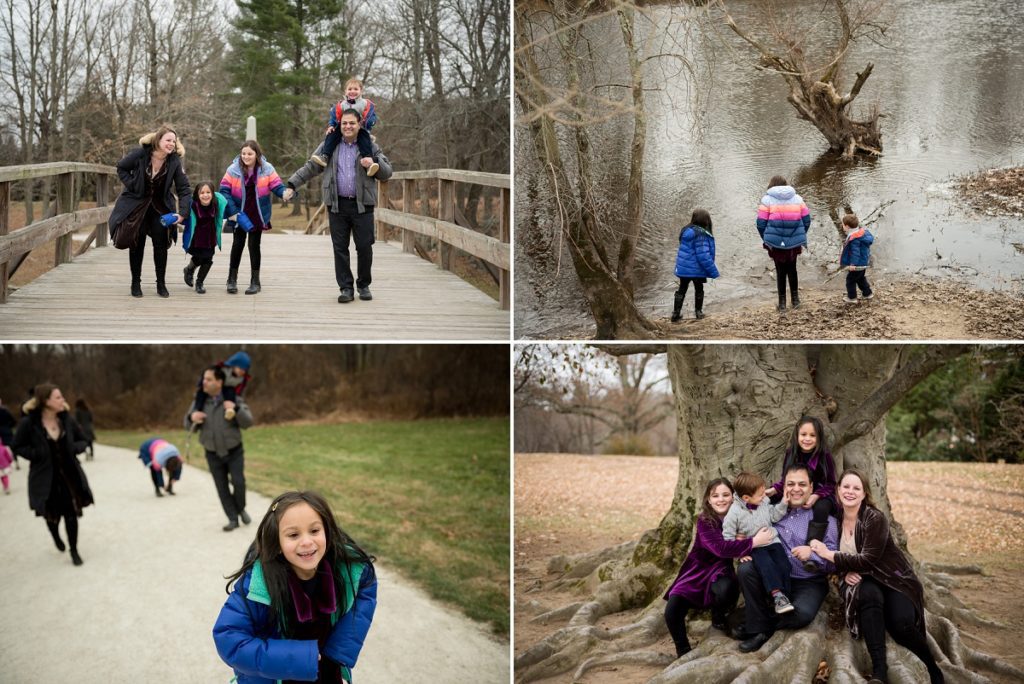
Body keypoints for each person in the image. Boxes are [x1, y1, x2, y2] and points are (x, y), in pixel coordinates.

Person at [213, 490, 377, 684]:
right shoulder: (258, 584)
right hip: (275, 676)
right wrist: (297, 658)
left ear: (327, 531)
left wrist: (338, 658)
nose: (307, 542)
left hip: (327, 672)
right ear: (277, 542)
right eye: (293, 535)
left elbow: (363, 597)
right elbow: (229, 639)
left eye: (315, 531)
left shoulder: (350, 569)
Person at [809, 469, 945, 684]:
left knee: (901, 625)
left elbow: (867, 559)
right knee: (870, 598)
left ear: (864, 494)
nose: (850, 492)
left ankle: (932, 667)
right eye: (846, 486)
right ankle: (879, 671)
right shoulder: (834, 521)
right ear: (838, 490)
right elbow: (834, 562)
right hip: (863, 580)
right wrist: (843, 571)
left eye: (856, 488)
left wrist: (829, 554)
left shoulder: (874, 518)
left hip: (892, 579)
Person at [285, 108, 394, 304]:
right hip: (337, 204)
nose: (348, 126)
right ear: (339, 125)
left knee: (364, 246)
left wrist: (374, 162)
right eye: (344, 123)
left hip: (363, 205)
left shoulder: (369, 144)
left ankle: (363, 285)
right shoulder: (330, 144)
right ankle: (346, 288)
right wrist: (292, 184)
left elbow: (386, 172)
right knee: (340, 248)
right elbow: (311, 166)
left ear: (359, 124)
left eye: (352, 123)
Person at [663, 478, 775, 658]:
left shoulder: (741, 515)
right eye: (715, 495)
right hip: (697, 570)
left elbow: (751, 529)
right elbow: (721, 548)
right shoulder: (704, 521)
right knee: (672, 610)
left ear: (733, 497)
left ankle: (718, 615)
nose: (721, 499)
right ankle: (683, 650)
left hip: (720, 570)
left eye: (725, 495)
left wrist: (742, 543)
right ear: (708, 499)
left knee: (726, 589)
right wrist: (752, 542)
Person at [734, 464, 837, 653]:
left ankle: (758, 624)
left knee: (803, 614)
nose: (796, 489)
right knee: (746, 569)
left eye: (802, 484)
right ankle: (758, 627)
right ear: (784, 487)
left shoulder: (825, 520)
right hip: (774, 578)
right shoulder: (770, 512)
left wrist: (813, 554)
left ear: (811, 488)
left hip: (809, 582)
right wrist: (746, 547)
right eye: (791, 484)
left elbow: (834, 563)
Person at [12, 384, 94, 566]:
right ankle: (55, 534)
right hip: (45, 478)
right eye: (58, 397)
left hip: (68, 475)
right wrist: (36, 454)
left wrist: (74, 448)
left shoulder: (67, 420)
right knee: (51, 514)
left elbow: (84, 440)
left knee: (71, 513)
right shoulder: (29, 424)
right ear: (45, 401)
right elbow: (16, 446)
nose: (62, 400)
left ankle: (74, 550)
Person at [108, 126, 191, 298]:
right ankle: (135, 283)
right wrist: (132, 184)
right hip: (137, 206)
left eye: (174, 141)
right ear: (158, 140)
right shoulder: (140, 154)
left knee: (161, 245)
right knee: (136, 243)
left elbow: (184, 188)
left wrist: (182, 213)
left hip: (160, 207)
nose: (171, 144)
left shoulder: (174, 161)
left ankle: (161, 284)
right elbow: (121, 168)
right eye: (168, 140)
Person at [764, 415, 838, 571]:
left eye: (812, 435)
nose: (807, 439)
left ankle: (812, 546)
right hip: (797, 488)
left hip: (821, 493)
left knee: (821, 509)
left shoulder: (824, 456)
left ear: (819, 438)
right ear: (797, 436)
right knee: (771, 502)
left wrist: (815, 495)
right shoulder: (791, 453)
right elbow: (786, 479)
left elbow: (831, 483)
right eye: (803, 435)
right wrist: (773, 490)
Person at [185, 366, 253, 531]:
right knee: (221, 487)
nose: (204, 383)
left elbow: (248, 422)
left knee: (239, 483)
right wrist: (191, 417)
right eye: (204, 379)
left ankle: (240, 508)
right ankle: (232, 519)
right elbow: (188, 426)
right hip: (212, 453)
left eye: (208, 379)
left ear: (219, 382)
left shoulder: (232, 399)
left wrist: (235, 409)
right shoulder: (199, 402)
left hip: (234, 451)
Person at [219, 139, 288, 295]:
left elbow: (277, 185)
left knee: (254, 246)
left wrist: (284, 193)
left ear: (257, 154)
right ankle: (231, 280)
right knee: (237, 244)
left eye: (250, 153)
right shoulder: (233, 169)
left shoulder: (267, 168)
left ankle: (255, 282)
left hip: (257, 212)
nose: (246, 156)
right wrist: (233, 212)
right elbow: (224, 190)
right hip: (239, 212)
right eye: (243, 153)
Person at [722, 472, 795, 615]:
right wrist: (739, 552)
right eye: (760, 495)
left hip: (772, 541)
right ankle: (777, 597)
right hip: (755, 547)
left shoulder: (763, 502)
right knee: (767, 567)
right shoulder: (734, 513)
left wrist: (783, 503)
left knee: (784, 565)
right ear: (746, 498)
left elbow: (773, 515)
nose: (764, 497)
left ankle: (786, 597)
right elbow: (727, 537)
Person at [756, 175, 811, 311]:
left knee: (780, 271)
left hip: (775, 243)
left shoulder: (766, 200)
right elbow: (807, 220)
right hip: (794, 243)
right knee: (792, 269)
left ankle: (782, 304)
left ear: (771, 185)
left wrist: (766, 238)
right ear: (786, 185)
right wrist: (799, 235)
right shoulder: (798, 199)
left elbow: (760, 224)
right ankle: (796, 300)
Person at [310, 78, 380, 178]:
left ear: (361, 91)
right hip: (343, 128)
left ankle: (368, 162)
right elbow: (334, 117)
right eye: (350, 89)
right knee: (332, 135)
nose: (352, 91)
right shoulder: (342, 104)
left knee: (364, 140)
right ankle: (325, 156)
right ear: (345, 91)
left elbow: (372, 116)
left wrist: (369, 124)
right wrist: (331, 126)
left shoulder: (365, 103)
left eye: (356, 89)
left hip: (360, 127)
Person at [671, 208, 720, 322]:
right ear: (704, 220)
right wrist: (713, 271)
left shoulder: (686, 230)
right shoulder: (701, 235)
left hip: (683, 268)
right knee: (699, 289)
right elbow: (703, 256)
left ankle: (675, 314)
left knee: (682, 289)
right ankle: (698, 312)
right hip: (697, 269)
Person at [182, 181, 228, 295]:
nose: (205, 195)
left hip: (210, 237)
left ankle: (200, 282)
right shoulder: (193, 205)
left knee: (207, 260)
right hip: (196, 237)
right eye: (202, 192)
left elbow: (225, 212)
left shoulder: (217, 204)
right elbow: (184, 217)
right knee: (198, 258)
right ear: (197, 194)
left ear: (212, 193)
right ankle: (189, 269)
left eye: (208, 192)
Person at [189, 350, 252, 422]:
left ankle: (229, 410)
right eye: (240, 368)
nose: (242, 371)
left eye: (244, 370)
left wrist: (237, 396)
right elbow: (208, 375)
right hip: (213, 388)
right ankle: (198, 410)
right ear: (234, 365)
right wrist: (201, 384)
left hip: (227, 390)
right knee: (201, 394)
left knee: (230, 392)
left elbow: (240, 388)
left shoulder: (243, 378)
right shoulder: (223, 369)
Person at [839, 213, 875, 304]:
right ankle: (867, 293)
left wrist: (852, 264)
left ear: (847, 226)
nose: (842, 226)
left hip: (857, 264)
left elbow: (855, 253)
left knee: (850, 280)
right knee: (860, 278)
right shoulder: (861, 233)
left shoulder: (854, 238)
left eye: (842, 225)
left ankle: (852, 298)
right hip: (863, 261)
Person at [0, 397, 17, 469]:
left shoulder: (5, 411)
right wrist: (8, 427)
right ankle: (14, 462)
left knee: (9, 447)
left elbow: (13, 421)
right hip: (6, 431)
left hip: (5, 432)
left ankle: (14, 461)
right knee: (11, 447)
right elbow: (13, 421)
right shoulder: (5, 411)